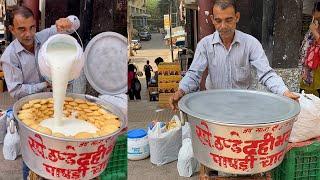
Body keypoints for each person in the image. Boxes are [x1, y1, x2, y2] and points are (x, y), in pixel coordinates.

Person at [169, 0, 299, 110]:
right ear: (212, 20)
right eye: (218, 21)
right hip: (214, 106)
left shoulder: (251, 43)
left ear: (237, 17)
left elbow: (266, 73)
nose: (223, 26)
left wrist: (285, 92)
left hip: (243, 106)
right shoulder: (205, 45)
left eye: (228, 20)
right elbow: (194, 74)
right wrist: (181, 91)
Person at [0, 5, 80, 179]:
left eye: (32, 27)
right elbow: (16, 91)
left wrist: (68, 22)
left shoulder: (44, 37)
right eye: (21, 29)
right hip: (29, 112)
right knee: (33, 158)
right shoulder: (9, 57)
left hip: (54, 106)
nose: (28, 34)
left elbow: (75, 24)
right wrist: (44, 85)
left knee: (58, 155)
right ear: (11, 29)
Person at [300, 0, 320, 97]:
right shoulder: (315, 23)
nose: (312, 12)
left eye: (314, 10)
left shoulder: (314, 27)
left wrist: (314, 32)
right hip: (310, 63)